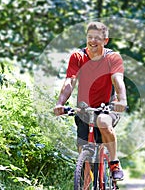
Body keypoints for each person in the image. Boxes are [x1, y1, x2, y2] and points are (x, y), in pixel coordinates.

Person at [54, 21, 127, 181]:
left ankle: (114, 163)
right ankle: (86, 182)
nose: (93, 41)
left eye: (97, 38)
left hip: (108, 108)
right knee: (85, 161)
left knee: (102, 121)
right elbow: (69, 82)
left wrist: (122, 101)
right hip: (84, 110)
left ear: (105, 40)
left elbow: (118, 80)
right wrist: (60, 103)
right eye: (90, 37)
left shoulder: (112, 58)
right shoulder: (78, 57)